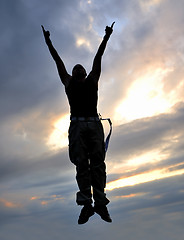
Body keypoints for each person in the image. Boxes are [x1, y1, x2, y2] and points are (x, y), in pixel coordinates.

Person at [41, 22, 114, 224]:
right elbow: (57, 60)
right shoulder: (68, 83)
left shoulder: (93, 80)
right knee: (81, 164)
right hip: (78, 126)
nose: (79, 67)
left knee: (98, 164)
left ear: (86, 72)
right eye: (75, 67)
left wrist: (106, 37)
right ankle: (87, 205)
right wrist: (48, 43)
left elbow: (98, 57)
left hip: (94, 123)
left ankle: (100, 204)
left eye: (81, 66)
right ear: (72, 74)